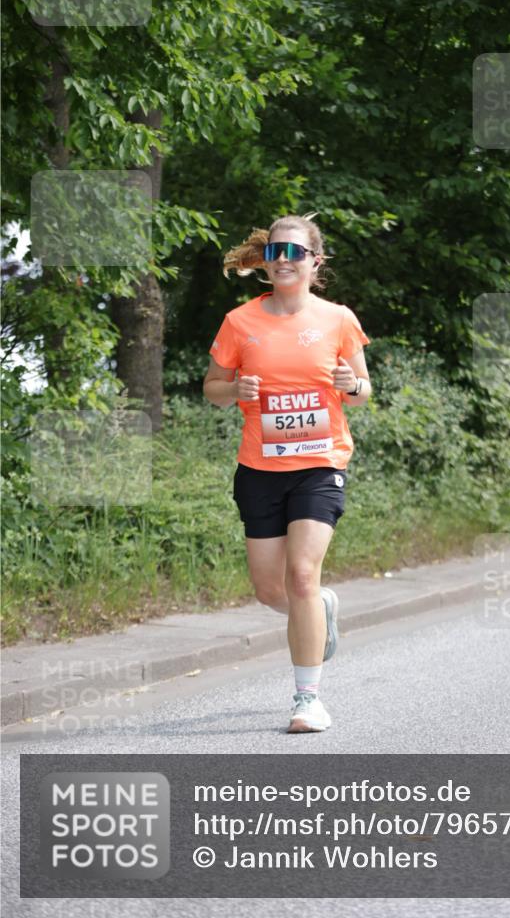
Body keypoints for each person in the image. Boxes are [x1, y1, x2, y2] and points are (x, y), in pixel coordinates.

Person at [203, 212, 372, 733]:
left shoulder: (338, 319)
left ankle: (307, 700)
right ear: (266, 260)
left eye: (295, 252)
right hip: (259, 467)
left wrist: (352, 384)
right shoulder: (240, 322)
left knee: (300, 574)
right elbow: (212, 388)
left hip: (320, 465)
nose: (284, 260)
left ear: (314, 262)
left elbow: (363, 392)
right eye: (276, 251)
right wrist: (235, 392)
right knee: (270, 590)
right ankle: (321, 608)